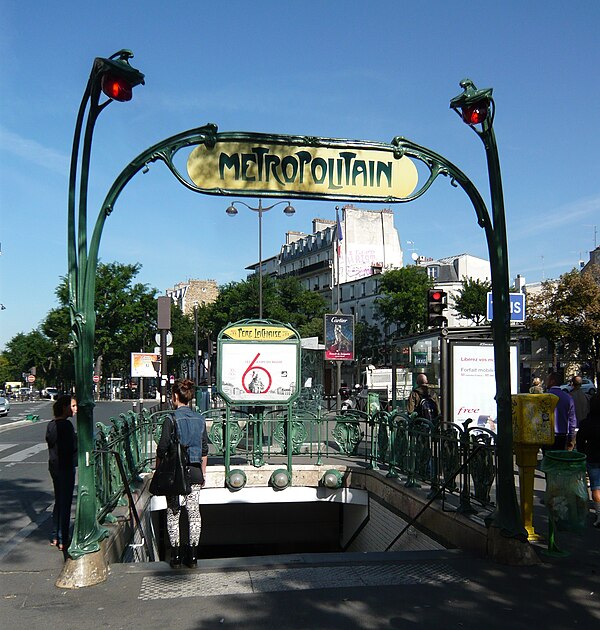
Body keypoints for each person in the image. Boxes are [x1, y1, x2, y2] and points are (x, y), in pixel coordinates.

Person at [156, 378, 208, 568]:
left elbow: (162, 449)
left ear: (175, 396)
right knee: (194, 513)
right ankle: (193, 556)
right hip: (194, 472)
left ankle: (175, 555)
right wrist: (202, 473)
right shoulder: (200, 419)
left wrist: (159, 469)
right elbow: (204, 450)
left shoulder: (170, 419)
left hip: (174, 474)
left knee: (173, 512)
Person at [46, 395, 77, 551]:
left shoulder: (51, 425)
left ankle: (54, 536)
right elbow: (70, 448)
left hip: (54, 466)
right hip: (65, 466)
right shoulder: (66, 426)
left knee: (59, 501)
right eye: (72, 406)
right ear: (64, 407)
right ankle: (63, 538)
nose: (75, 409)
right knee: (65, 503)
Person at [575, 393, 600, 528]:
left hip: (592, 456)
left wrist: (582, 453)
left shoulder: (587, 422)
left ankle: (599, 513)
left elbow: (580, 440)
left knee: (596, 486)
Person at [546, 372, 577, 450]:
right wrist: (571, 437)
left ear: (552, 381)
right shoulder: (568, 398)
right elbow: (572, 420)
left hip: (547, 434)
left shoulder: (544, 397)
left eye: (547, 380)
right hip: (562, 434)